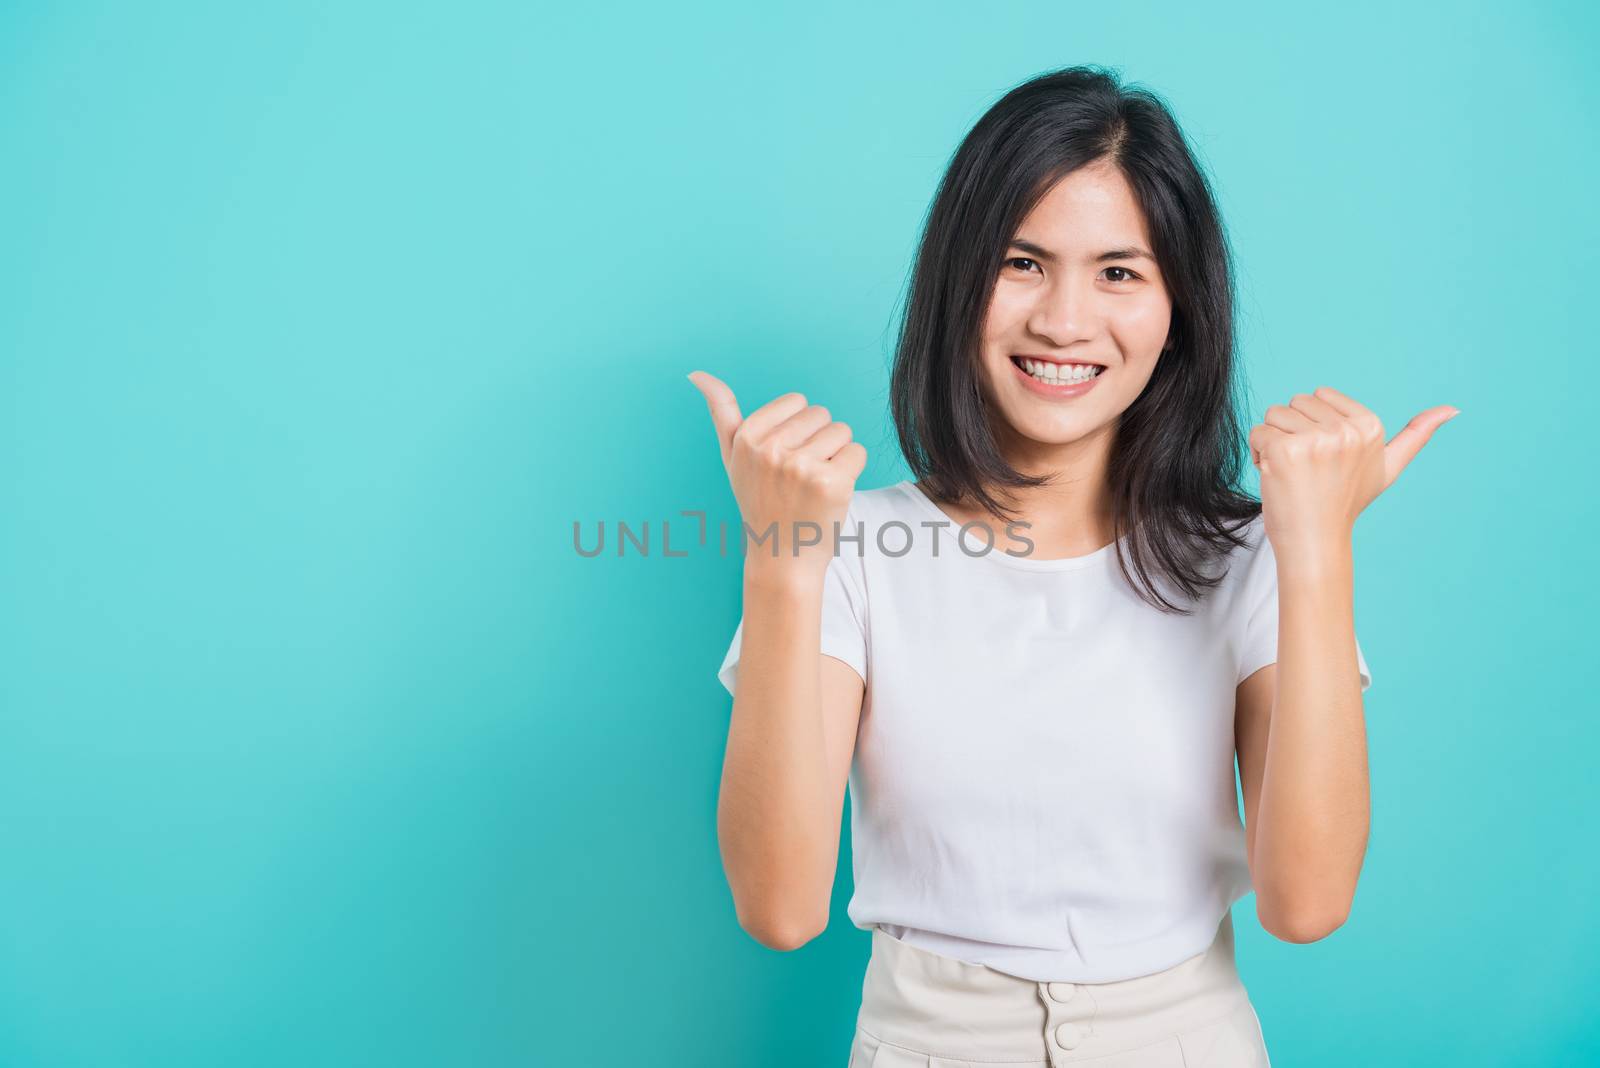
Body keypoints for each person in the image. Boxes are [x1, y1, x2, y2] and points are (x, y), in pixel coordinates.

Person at [687, 64, 1457, 1068]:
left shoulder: (1250, 556)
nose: (1062, 320)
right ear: (959, 283)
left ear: (1178, 306)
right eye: (1021, 262)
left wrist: (1312, 549)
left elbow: (1306, 905)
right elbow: (779, 909)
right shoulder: (851, 552)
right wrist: (782, 560)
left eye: (1118, 272)